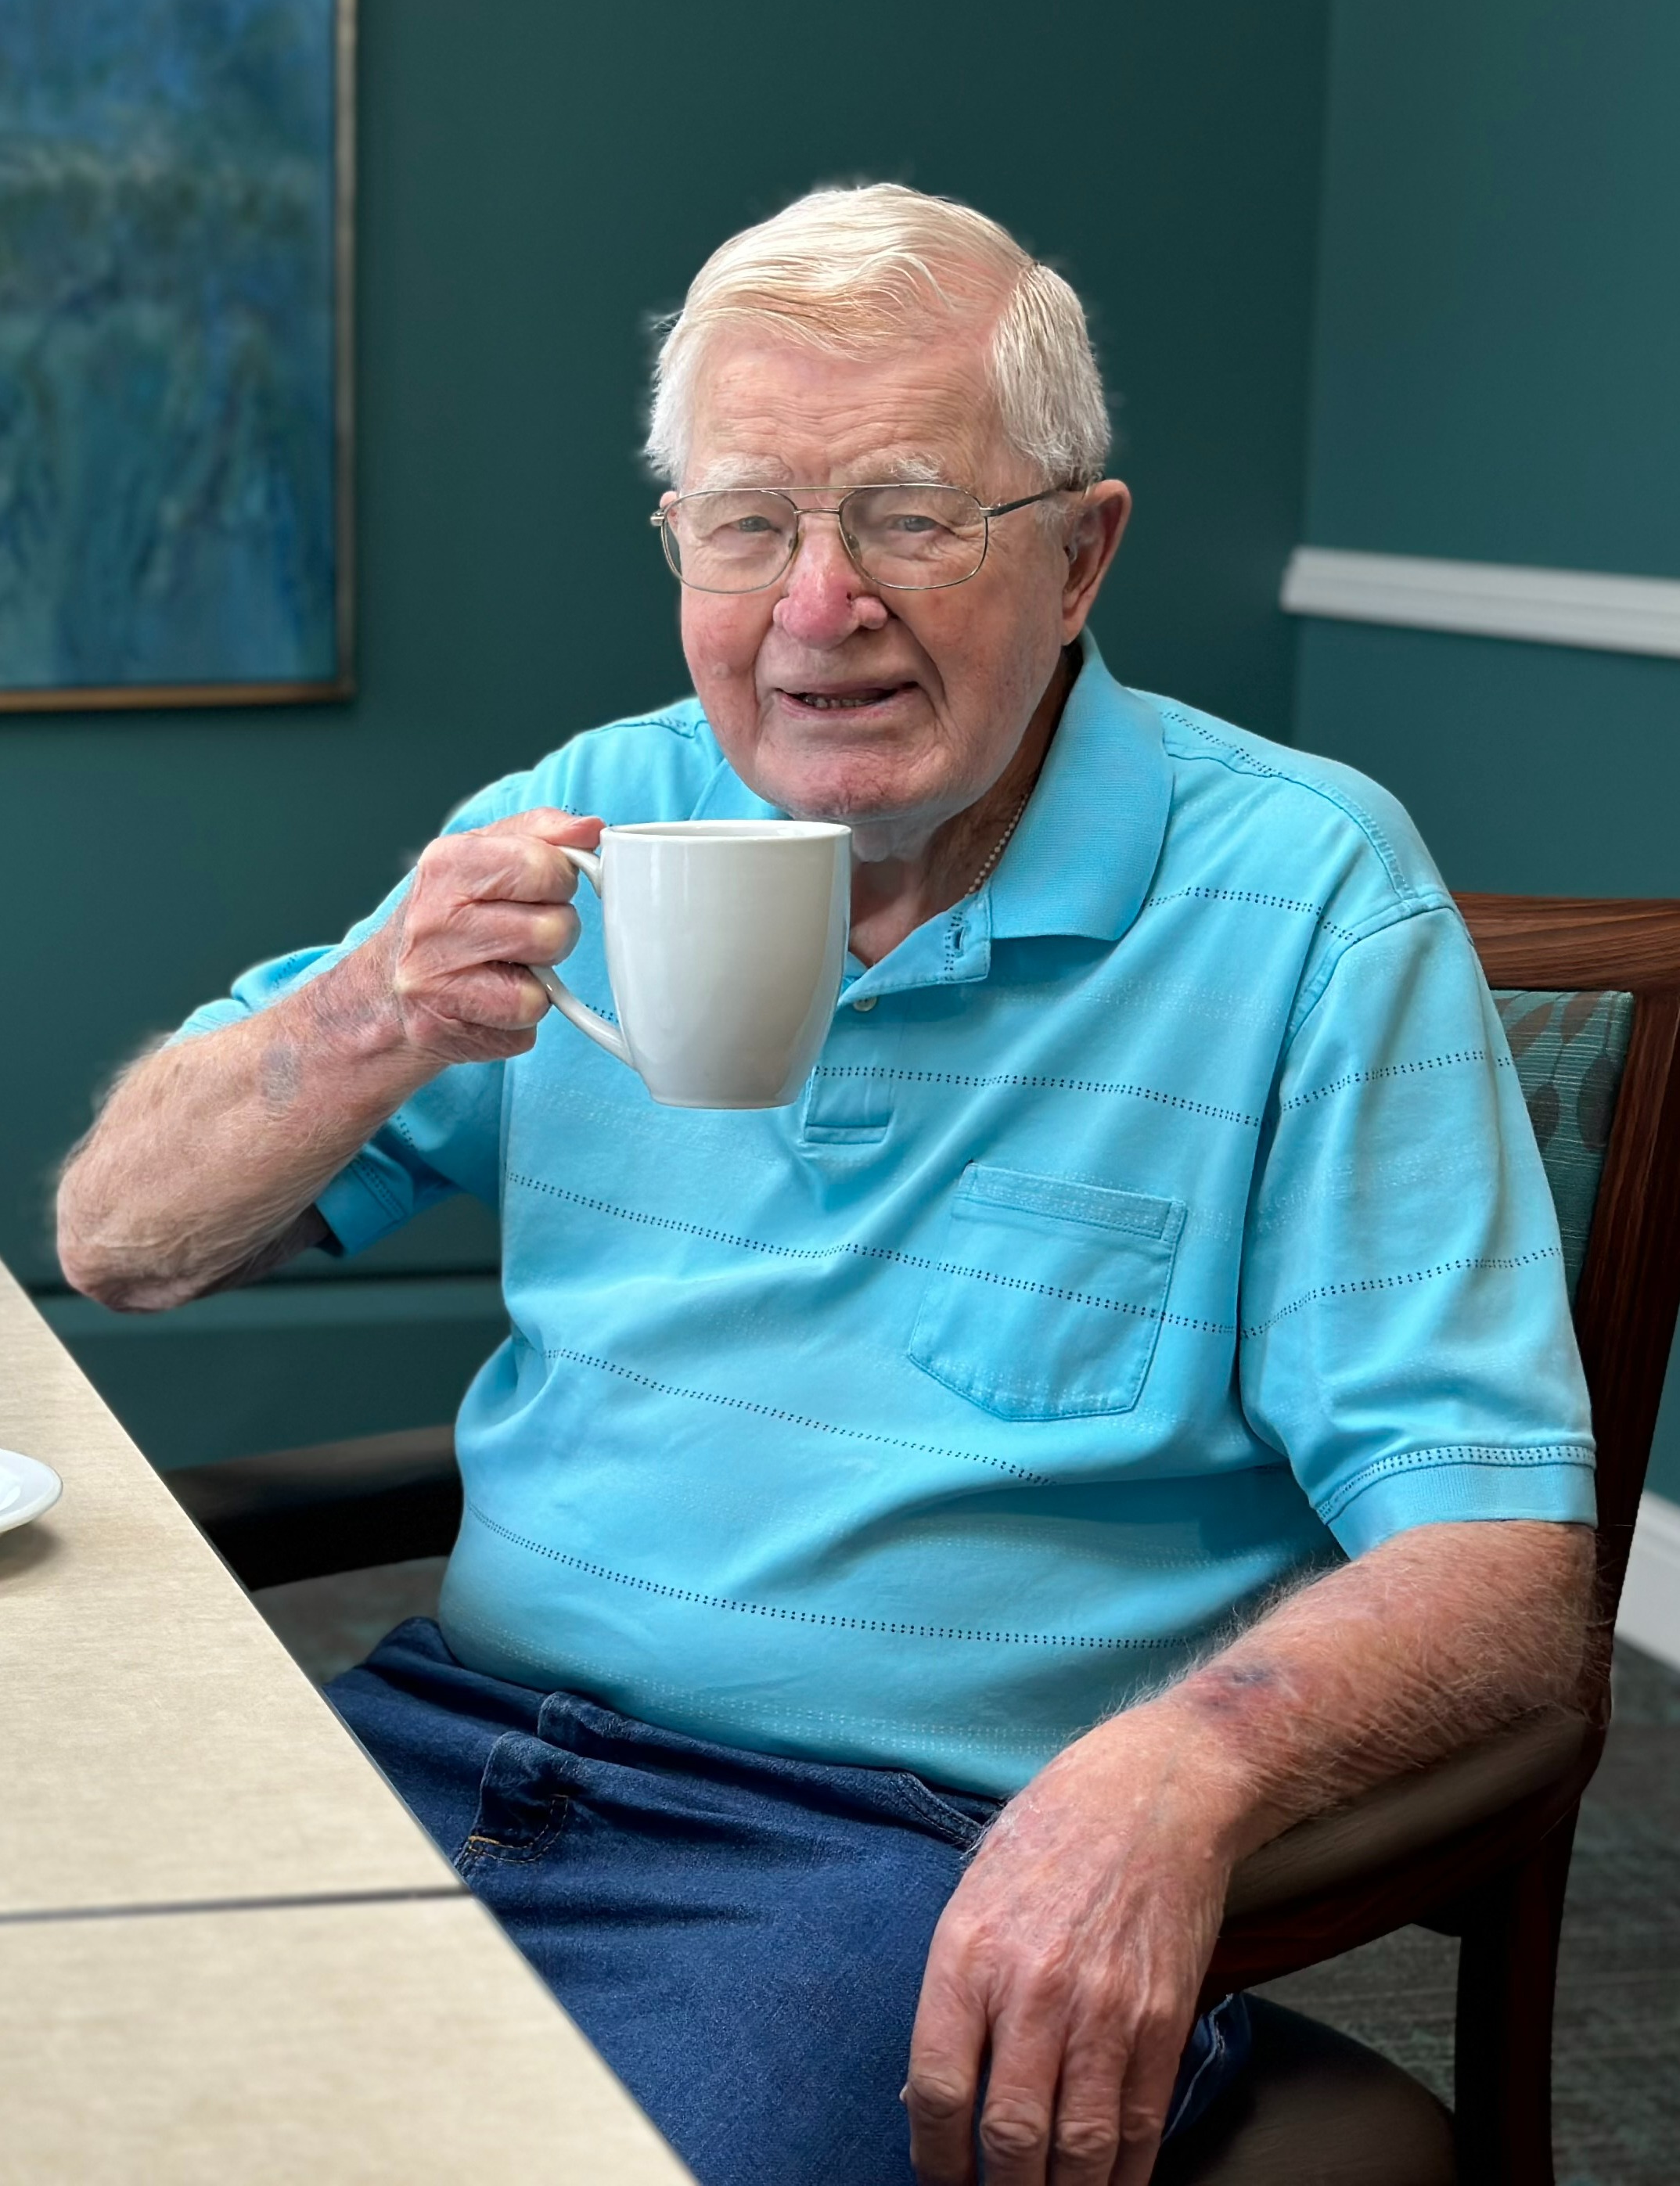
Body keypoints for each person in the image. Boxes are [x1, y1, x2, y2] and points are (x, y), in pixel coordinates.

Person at [58, 184, 1595, 2186]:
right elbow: (122, 1242)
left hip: (899, 1846)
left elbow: (1507, 1568)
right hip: (438, 1741)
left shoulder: (1306, 896)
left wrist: (1172, 1777)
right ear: (677, 549)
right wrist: (365, 1019)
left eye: (910, 514)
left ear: (1078, 556)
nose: (817, 603)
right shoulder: (578, 823)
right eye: (748, 520)